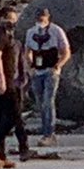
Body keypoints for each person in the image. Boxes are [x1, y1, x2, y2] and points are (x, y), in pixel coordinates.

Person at [0, 4, 29, 160]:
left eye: (15, 20)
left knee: (2, 116)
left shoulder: (12, 38)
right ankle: (4, 145)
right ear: (0, 19)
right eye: (9, 19)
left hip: (11, 80)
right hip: (3, 82)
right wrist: (1, 80)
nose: (13, 22)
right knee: (14, 115)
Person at [24, 8, 72, 146]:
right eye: (38, 17)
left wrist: (58, 66)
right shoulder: (31, 32)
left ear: (48, 17)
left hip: (50, 70)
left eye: (43, 18)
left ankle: (49, 133)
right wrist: (29, 67)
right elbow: (27, 52)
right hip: (37, 71)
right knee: (40, 103)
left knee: (48, 101)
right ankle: (45, 130)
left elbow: (66, 51)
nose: (40, 20)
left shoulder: (56, 31)